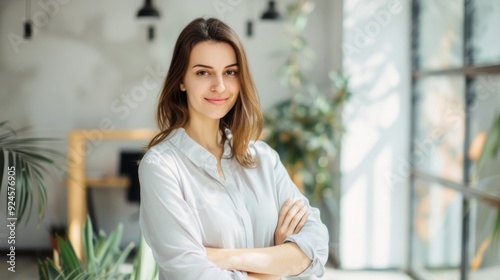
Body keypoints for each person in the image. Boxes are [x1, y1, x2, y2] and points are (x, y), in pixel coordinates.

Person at [139, 17, 329, 280]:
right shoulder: (161, 166)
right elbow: (190, 273)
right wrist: (274, 265)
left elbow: (316, 249)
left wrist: (224, 257)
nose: (219, 86)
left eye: (230, 72)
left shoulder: (264, 159)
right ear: (181, 80)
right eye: (203, 72)